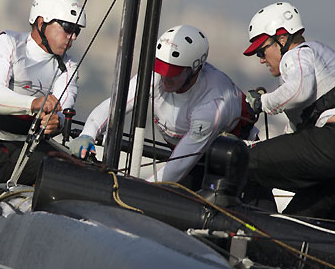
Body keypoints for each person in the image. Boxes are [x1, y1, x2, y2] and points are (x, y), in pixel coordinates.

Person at [70, 24, 257, 186]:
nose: (165, 77)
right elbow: (114, 104)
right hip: (186, 152)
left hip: (231, 161)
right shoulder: (155, 76)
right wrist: (88, 133)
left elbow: (179, 163)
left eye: (173, 72)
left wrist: (141, 189)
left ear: (195, 69)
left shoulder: (213, 101)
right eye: (162, 68)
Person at [0, 0, 86, 188]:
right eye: (67, 28)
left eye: (77, 31)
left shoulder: (69, 66)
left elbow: (64, 110)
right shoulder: (7, 43)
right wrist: (35, 103)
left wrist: (57, 122)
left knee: (89, 172)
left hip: (27, 148)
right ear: (40, 22)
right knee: (69, 176)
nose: (72, 37)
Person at [243, 1, 335, 218]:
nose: (262, 60)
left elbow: (299, 92)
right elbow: (294, 136)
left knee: (241, 160)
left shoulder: (295, 55)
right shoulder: (321, 55)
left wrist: (261, 103)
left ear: (282, 39)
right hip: (328, 161)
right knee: (296, 224)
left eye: (262, 51)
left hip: (329, 144)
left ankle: (252, 230)